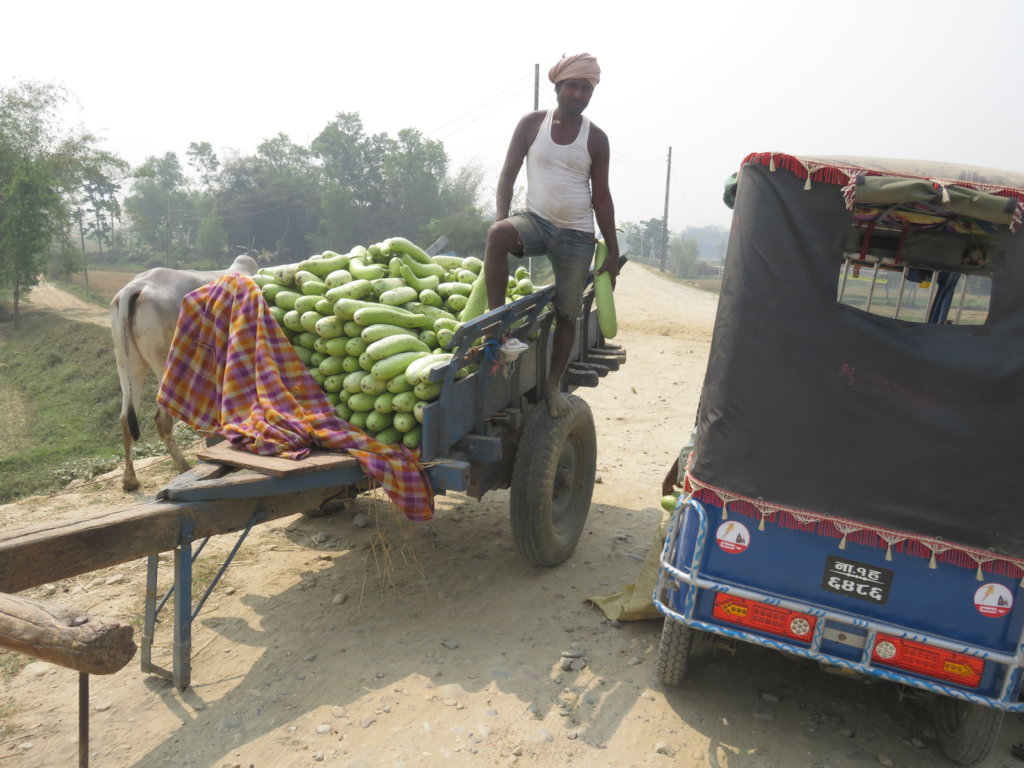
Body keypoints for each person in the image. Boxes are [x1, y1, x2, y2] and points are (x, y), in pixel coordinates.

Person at [483, 52, 621, 418]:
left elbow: (601, 197)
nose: (578, 94)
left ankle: (553, 384)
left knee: (567, 313)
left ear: (591, 92)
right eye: (572, 86)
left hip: (577, 234)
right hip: (536, 221)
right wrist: (501, 218)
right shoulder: (532, 124)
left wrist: (612, 248)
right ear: (558, 87)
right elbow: (508, 174)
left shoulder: (597, 139)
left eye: (585, 88)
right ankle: (497, 324)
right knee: (498, 235)